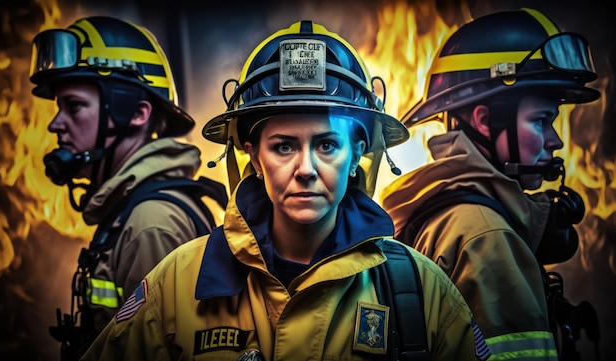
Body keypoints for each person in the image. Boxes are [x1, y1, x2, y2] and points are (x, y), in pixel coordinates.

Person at [81, 20, 491, 361]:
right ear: (254, 159)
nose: (306, 170)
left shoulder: (420, 289)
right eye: (283, 146)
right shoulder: (177, 284)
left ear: (357, 157)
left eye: (327, 145)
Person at [380, 8, 601, 361]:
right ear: (484, 121)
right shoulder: (484, 236)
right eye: (541, 121)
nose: (555, 141)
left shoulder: (444, 207)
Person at [29, 16, 227, 360]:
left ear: (137, 113)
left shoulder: (151, 223)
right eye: (59, 107)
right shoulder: (131, 211)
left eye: (74, 106)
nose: (55, 123)